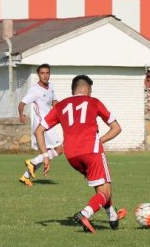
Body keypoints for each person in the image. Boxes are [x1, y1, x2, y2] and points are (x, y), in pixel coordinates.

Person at [34, 74, 126, 233]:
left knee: (101, 185)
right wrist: (101, 140)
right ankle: (85, 213)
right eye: (90, 91)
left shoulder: (60, 106)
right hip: (91, 151)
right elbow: (116, 128)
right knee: (105, 190)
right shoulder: (94, 102)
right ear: (86, 89)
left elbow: (39, 131)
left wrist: (45, 156)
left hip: (71, 156)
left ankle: (112, 216)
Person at [17, 64, 64, 187]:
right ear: (38, 74)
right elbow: (22, 103)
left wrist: (65, 109)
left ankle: (25, 176)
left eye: (47, 73)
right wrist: (21, 115)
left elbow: (54, 102)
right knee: (59, 149)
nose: (45, 75)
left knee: (46, 153)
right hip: (41, 125)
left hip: (49, 123)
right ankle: (32, 162)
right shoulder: (35, 90)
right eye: (42, 73)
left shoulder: (51, 86)